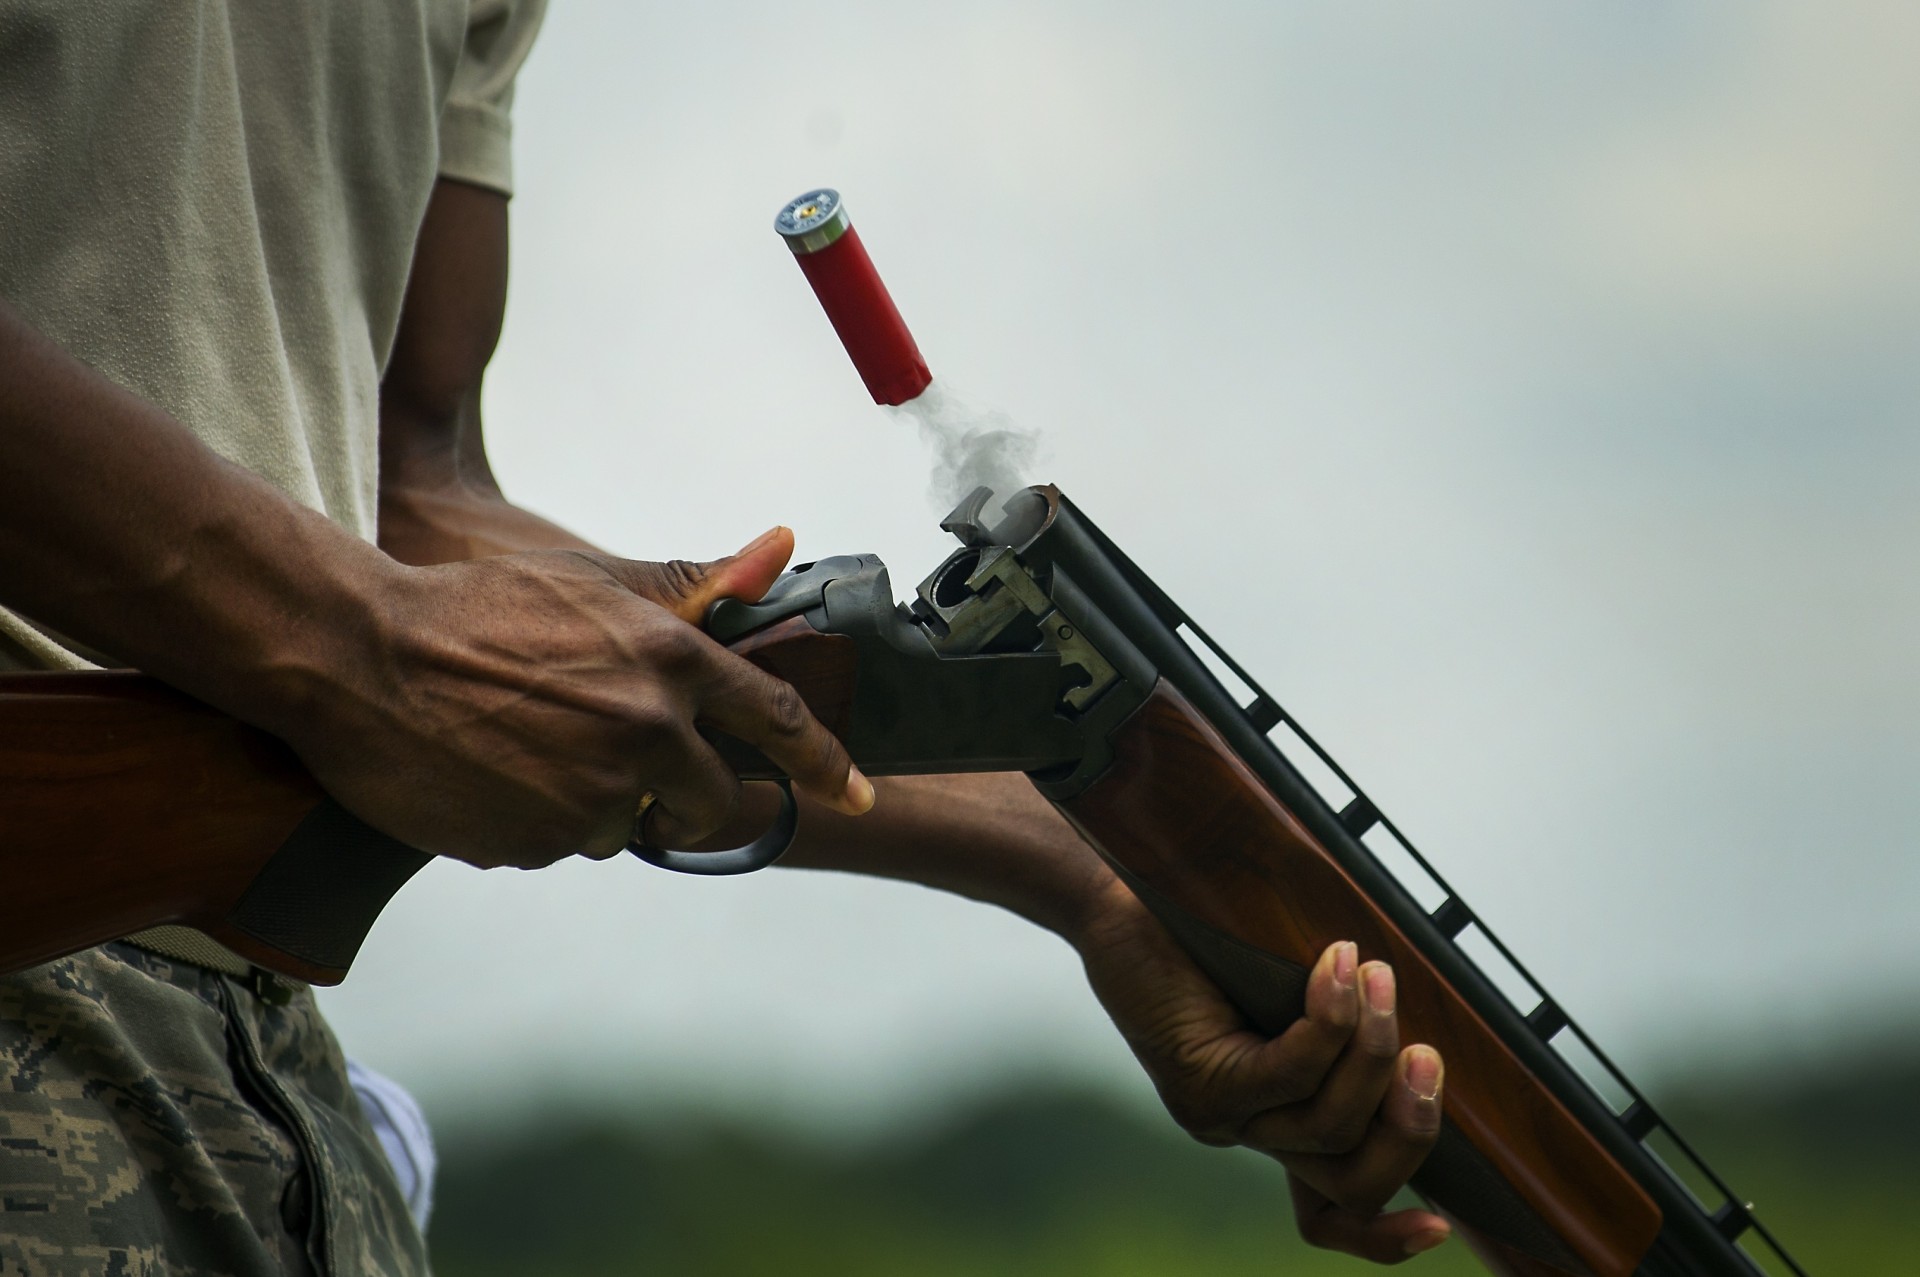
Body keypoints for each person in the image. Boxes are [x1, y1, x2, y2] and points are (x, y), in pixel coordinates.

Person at [0, 2, 1448, 1272]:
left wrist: (1099, 870)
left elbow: (406, 493)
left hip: (268, 1075)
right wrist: (369, 652)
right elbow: (382, 606)